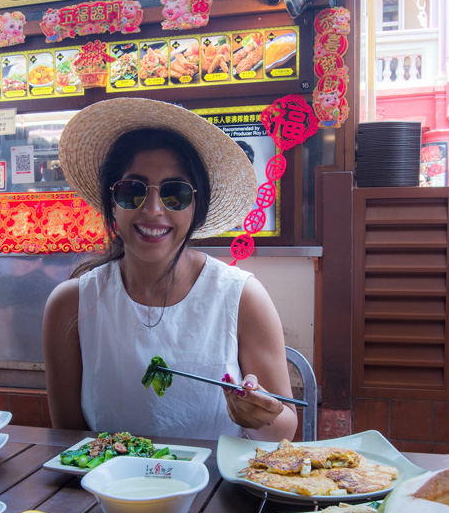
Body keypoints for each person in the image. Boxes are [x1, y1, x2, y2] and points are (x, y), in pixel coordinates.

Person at [42, 98, 298, 442]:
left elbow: (286, 427)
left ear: (198, 207)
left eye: (175, 193)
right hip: (110, 492)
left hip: (215, 491)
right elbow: (67, 439)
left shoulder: (242, 298)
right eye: (132, 191)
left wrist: (263, 413)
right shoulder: (71, 305)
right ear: (111, 203)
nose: (152, 209)